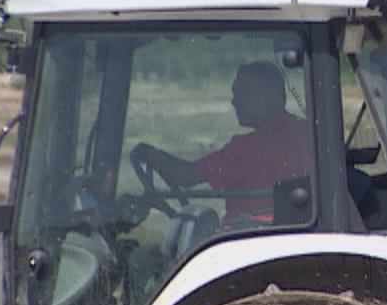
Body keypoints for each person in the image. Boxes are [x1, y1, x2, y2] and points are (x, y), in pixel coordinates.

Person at [131, 61, 311, 222]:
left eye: (244, 93)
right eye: (235, 93)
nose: (234, 101)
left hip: (245, 237)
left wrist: (151, 155)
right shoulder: (305, 132)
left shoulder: (250, 147)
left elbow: (184, 176)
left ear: (271, 95)